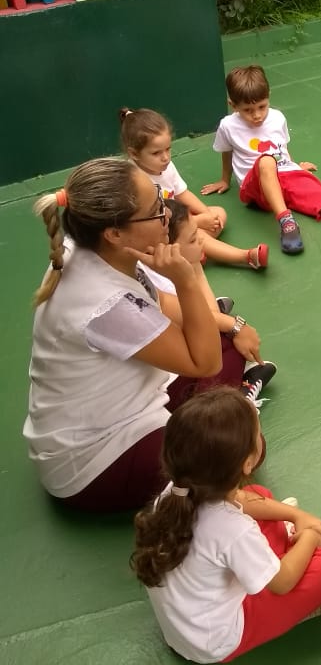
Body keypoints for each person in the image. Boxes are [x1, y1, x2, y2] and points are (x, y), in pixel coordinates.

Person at [23, 158, 240, 513]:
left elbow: (164, 305)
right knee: (236, 444)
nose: (168, 214)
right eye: (156, 210)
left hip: (116, 406)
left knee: (227, 342)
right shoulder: (106, 303)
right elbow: (205, 361)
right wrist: (186, 276)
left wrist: (233, 325)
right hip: (95, 462)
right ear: (115, 232)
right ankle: (237, 402)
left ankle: (219, 406)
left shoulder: (92, 248)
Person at [132, 387, 321, 663]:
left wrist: (296, 516)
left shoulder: (177, 492)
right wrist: (310, 534)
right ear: (247, 462)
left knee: (261, 496)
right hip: (219, 641)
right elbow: (282, 583)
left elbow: (242, 502)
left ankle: (272, 553)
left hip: (187, 626)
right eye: (258, 432)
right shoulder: (232, 528)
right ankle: (282, 561)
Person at [202, 65, 321, 255]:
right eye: (247, 110)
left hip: (287, 174)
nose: (257, 115)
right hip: (255, 187)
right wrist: (224, 180)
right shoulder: (228, 126)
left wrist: (295, 166)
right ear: (233, 105)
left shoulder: (277, 118)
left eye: (262, 107)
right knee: (266, 161)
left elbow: (282, 147)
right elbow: (226, 153)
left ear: (268, 96)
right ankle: (286, 222)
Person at [149, 200, 277, 406]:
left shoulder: (171, 268)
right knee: (229, 341)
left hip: (175, 365)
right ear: (166, 248)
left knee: (225, 329)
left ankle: (231, 390)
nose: (201, 241)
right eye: (193, 240)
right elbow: (207, 323)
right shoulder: (157, 283)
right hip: (162, 392)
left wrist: (194, 265)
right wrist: (235, 326)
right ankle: (235, 401)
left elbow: (209, 313)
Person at [120, 106, 268, 270]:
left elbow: (182, 193)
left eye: (168, 149)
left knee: (218, 214)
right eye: (156, 153)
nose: (165, 157)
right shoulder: (136, 181)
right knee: (195, 234)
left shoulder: (166, 166)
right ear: (134, 154)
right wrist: (197, 221)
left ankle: (191, 253)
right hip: (158, 234)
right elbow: (154, 224)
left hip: (176, 221)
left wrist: (206, 214)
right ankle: (246, 256)